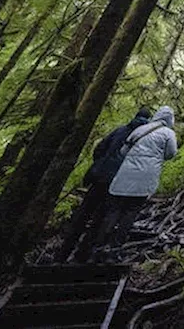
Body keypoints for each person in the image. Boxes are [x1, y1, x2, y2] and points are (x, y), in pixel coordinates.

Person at [56, 106, 152, 263]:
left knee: (83, 214)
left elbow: (99, 148)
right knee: (100, 219)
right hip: (117, 183)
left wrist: (100, 165)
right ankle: (82, 256)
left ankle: (62, 254)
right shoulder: (143, 139)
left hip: (99, 178)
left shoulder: (120, 130)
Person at [90, 105, 178, 262]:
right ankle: (114, 249)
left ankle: (98, 247)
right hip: (145, 178)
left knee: (114, 210)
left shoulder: (141, 130)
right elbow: (171, 153)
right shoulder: (168, 133)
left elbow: (123, 151)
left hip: (124, 175)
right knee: (130, 212)